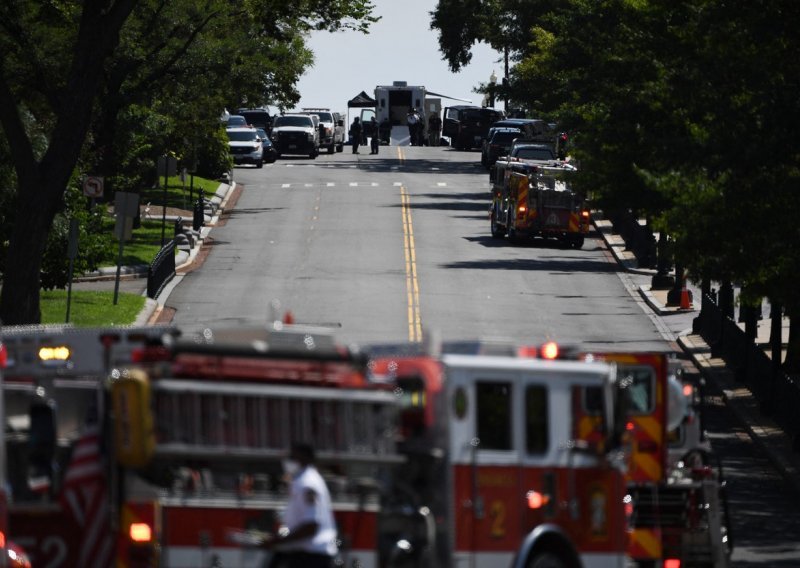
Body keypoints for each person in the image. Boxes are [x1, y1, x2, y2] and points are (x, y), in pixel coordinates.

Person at [263, 443, 338, 568]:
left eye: (293, 457)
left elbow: (311, 525)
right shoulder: (302, 480)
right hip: (303, 554)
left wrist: (278, 541)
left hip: (311, 557)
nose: (289, 461)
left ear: (306, 458)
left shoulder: (307, 483)